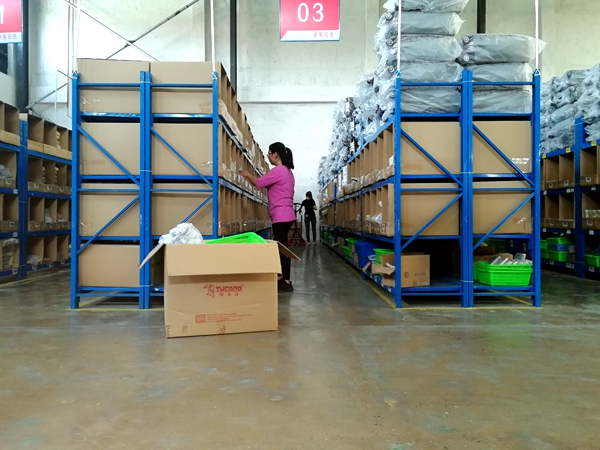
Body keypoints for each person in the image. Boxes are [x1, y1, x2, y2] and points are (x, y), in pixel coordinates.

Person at [240, 142, 296, 292]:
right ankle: (284, 279)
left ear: (275, 154)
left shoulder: (279, 171)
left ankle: (285, 281)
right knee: (283, 248)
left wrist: (247, 174)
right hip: (287, 214)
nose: (268, 157)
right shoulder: (288, 172)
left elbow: (259, 183)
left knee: (281, 249)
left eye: (269, 154)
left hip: (281, 215)